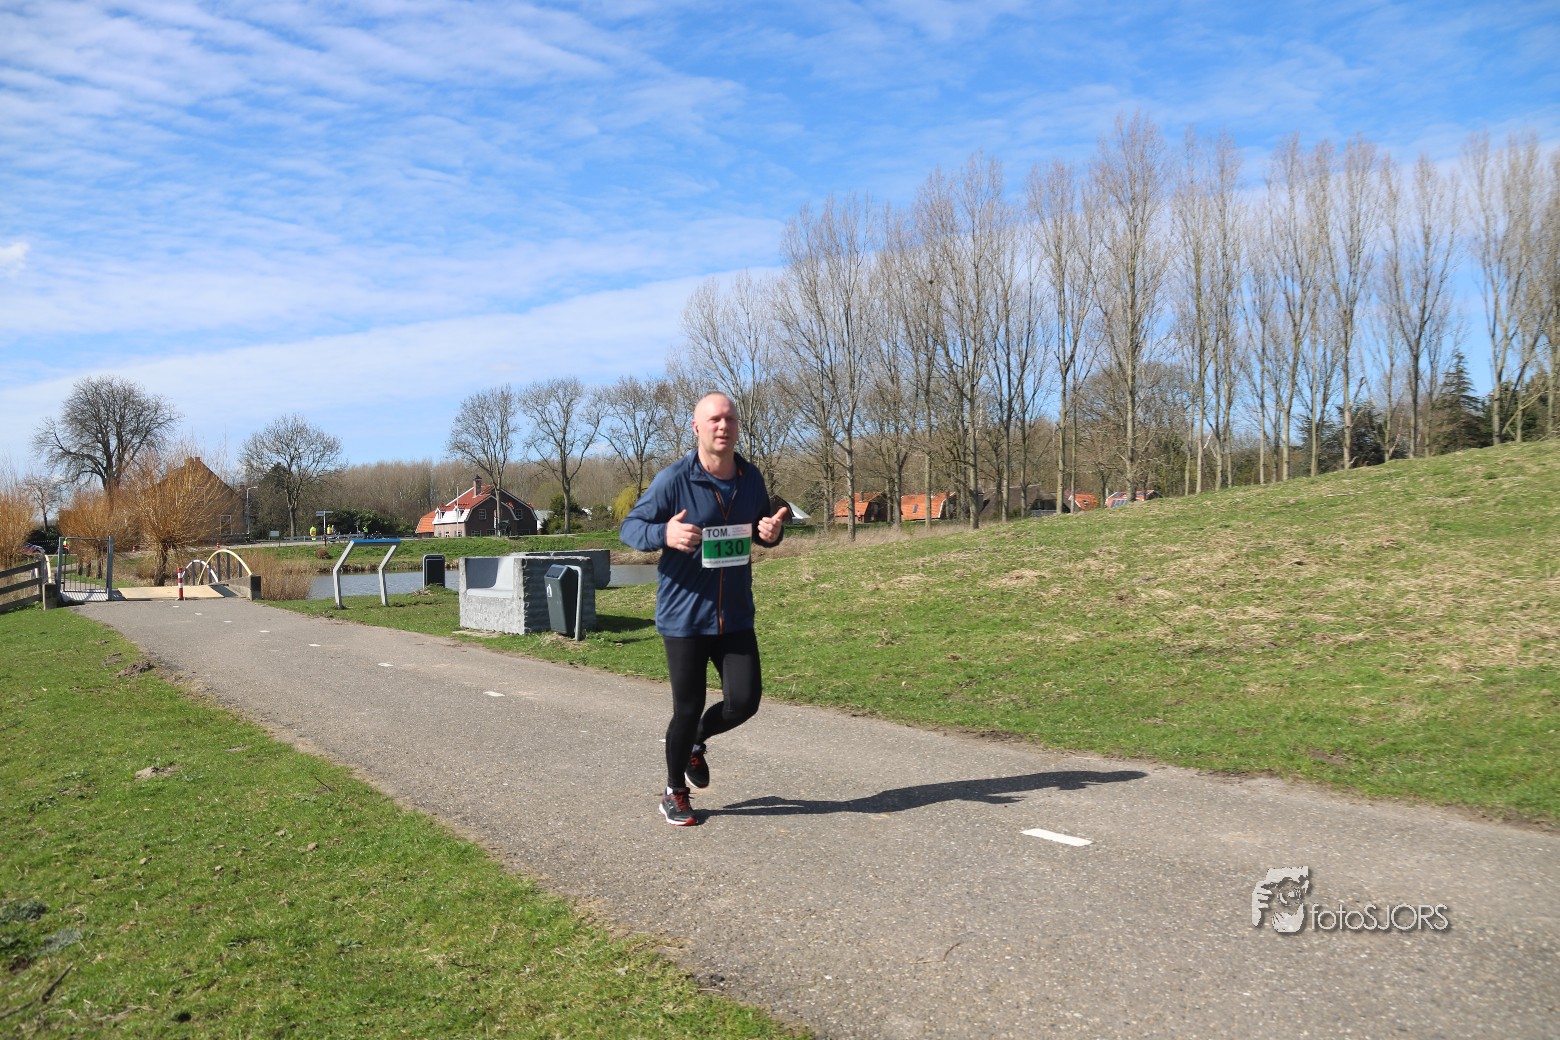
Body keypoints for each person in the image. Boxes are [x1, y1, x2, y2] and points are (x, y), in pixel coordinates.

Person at [620, 392, 788, 826]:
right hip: (685, 617)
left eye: (730, 419)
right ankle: (674, 791)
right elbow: (630, 528)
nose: (723, 426)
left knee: (744, 702)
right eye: (714, 419)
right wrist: (664, 534)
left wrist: (770, 534)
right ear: (696, 427)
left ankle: (695, 741)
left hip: (735, 615)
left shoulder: (751, 478)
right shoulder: (674, 479)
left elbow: (760, 528)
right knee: (688, 706)